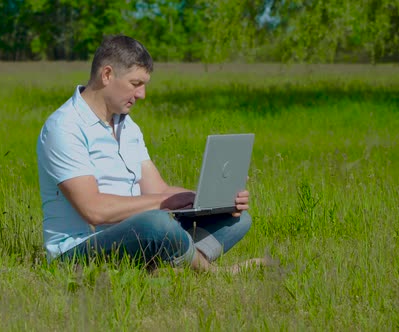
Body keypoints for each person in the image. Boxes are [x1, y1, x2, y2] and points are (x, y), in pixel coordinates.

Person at [37, 35, 259, 272]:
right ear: (107, 75)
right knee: (157, 224)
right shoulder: (64, 127)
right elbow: (93, 210)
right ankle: (213, 273)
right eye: (136, 84)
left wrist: (211, 200)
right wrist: (163, 203)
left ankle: (173, 263)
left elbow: (159, 191)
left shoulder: (127, 126)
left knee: (236, 220)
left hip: (134, 238)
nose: (142, 94)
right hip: (78, 252)